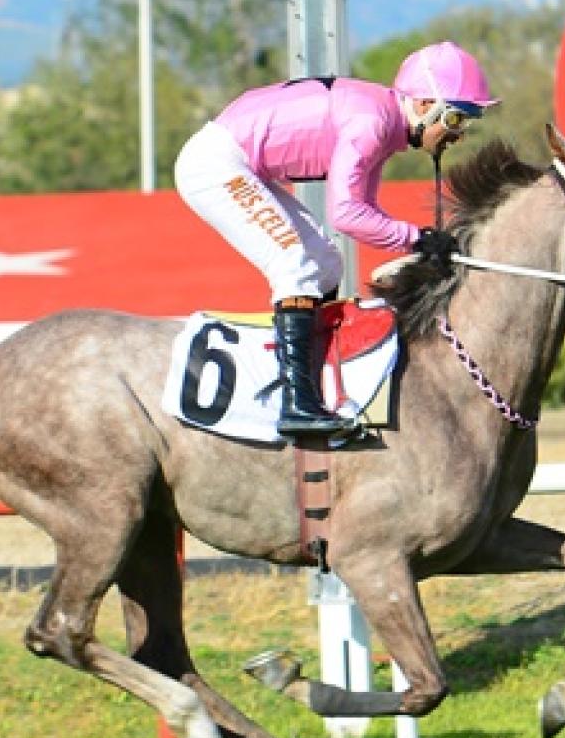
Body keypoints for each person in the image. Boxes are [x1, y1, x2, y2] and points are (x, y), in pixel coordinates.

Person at [174, 41, 498, 439]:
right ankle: (297, 403)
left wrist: (418, 242)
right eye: (455, 120)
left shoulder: (384, 123)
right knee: (294, 264)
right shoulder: (372, 123)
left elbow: (364, 214)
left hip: (239, 163)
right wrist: (418, 239)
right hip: (216, 165)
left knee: (327, 262)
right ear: (425, 103)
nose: (458, 135)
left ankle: (320, 380)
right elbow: (345, 214)